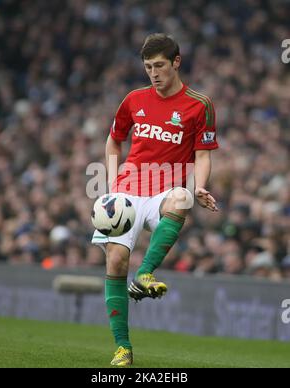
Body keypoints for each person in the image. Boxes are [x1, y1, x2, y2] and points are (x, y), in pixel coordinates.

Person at [91, 33, 219, 366]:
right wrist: (110, 183)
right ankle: (123, 347)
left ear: (176, 62)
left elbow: (203, 155)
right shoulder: (133, 99)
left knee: (181, 199)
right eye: (148, 67)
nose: (153, 73)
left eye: (159, 65)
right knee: (116, 260)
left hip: (165, 189)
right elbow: (113, 141)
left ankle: (145, 273)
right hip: (128, 189)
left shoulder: (199, 105)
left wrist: (199, 186)